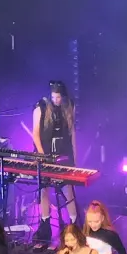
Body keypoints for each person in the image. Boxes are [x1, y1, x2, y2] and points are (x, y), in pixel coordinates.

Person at [30, 81, 80, 245]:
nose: (56, 100)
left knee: (68, 188)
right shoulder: (41, 108)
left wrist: (74, 157)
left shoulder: (69, 106)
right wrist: (43, 156)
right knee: (44, 189)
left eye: (58, 97)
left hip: (64, 153)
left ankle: (73, 223)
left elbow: (72, 132)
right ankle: (45, 224)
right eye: (53, 97)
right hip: (45, 153)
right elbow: (36, 134)